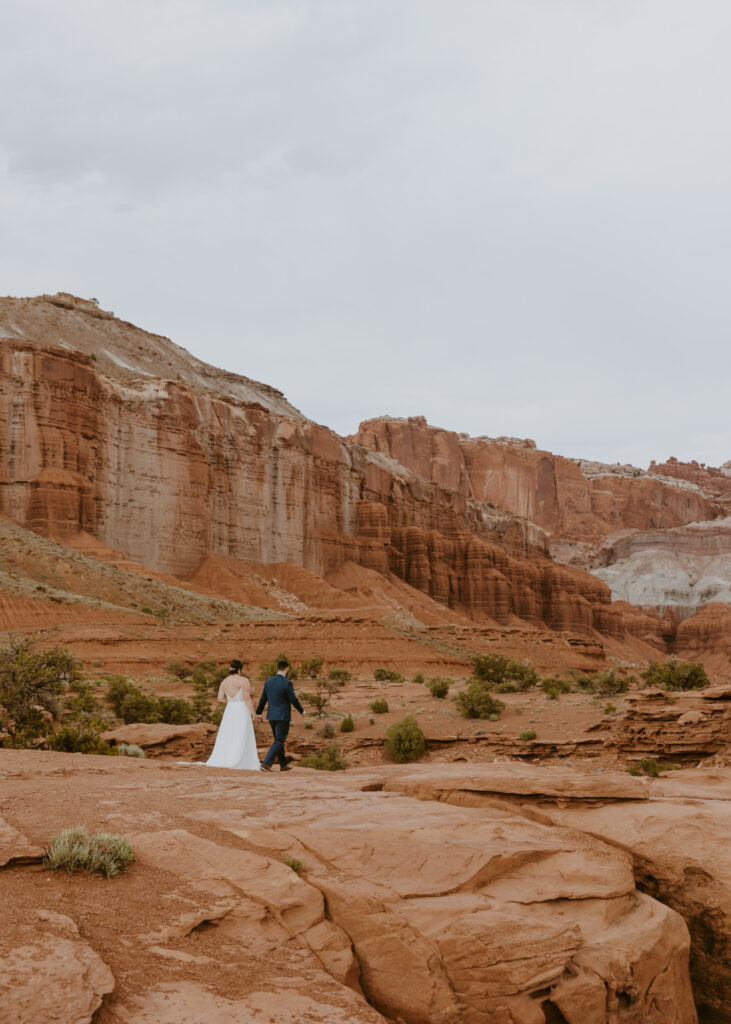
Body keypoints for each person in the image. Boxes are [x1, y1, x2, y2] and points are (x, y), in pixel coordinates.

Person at [205, 660, 260, 771]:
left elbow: (220, 698)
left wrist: (231, 702)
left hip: (230, 710)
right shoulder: (243, 680)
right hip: (242, 710)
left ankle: (226, 757)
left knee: (229, 733)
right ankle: (240, 759)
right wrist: (253, 713)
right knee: (241, 733)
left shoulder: (224, 682)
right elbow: (247, 698)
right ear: (239, 669)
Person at [256, 659, 305, 771]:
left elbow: (263, 699)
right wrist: (301, 710)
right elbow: (293, 699)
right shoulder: (287, 683)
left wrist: (258, 712)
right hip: (282, 717)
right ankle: (266, 764)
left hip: (271, 716)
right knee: (279, 740)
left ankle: (283, 765)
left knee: (278, 740)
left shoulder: (268, 682)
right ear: (286, 669)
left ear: (278, 668)